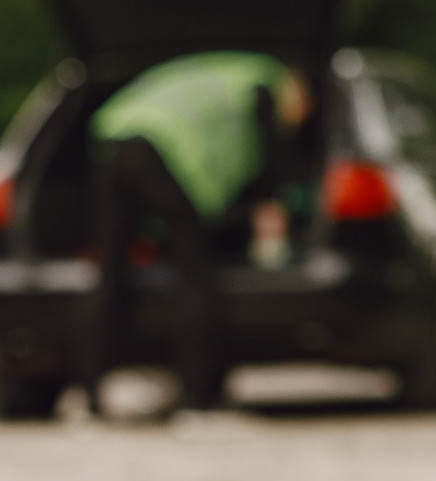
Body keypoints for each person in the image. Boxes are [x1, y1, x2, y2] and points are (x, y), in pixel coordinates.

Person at [84, 51, 310, 412]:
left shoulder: (224, 73)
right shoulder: (264, 85)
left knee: (110, 270)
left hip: (115, 141)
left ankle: (88, 396)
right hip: (164, 150)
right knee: (195, 272)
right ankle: (198, 394)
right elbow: (269, 163)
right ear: (297, 91)